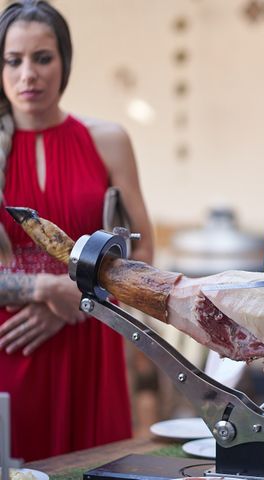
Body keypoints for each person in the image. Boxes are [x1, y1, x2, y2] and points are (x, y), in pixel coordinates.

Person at [0, 0, 153, 462]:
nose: (29, 74)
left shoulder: (107, 140)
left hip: (93, 336)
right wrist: (49, 288)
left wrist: (80, 300)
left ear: (64, 62)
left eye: (43, 58)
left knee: (99, 466)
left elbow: (142, 253)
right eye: (13, 60)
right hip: (12, 340)